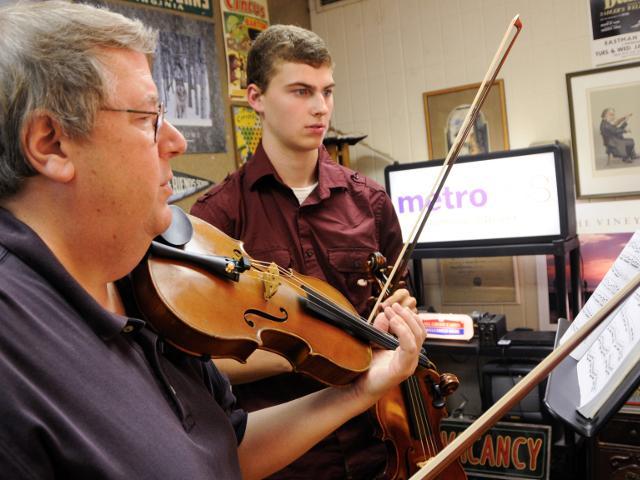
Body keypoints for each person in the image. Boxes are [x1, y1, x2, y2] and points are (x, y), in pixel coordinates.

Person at [0, 3, 425, 479]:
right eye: (148, 118)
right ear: (51, 143)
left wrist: (359, 389)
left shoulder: (148, 278)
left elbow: (229, 445)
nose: (177, 141)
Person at [191, 24, 418, 479]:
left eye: (327, 91)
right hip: (286, 460)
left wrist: (399, 320)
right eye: (300, 91)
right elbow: (197, 364)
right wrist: (312, 347)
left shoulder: (370, 202)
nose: (320, 108)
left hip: (381, 441)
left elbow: (401, 298)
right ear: (255, 97)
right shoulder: (216, 217)